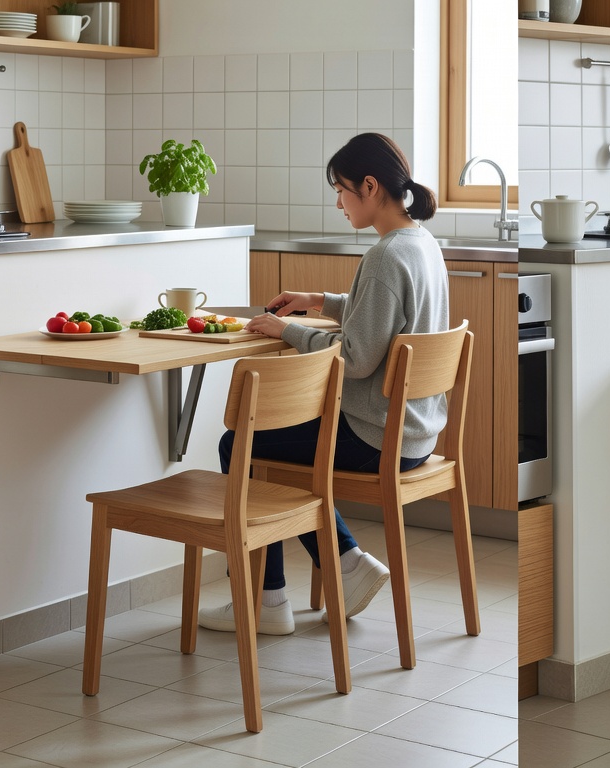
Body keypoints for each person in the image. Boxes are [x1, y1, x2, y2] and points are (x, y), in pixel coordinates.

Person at [199, 132, 450, 635]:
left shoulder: (383, 257)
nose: (338, 202)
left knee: (240, 443)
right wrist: (320, 300)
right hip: (417, 431)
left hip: (377, 436)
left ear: (370, 186)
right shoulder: (419, 241)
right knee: (278, 444)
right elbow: (384, 313)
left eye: (341, 189)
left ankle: (270, 602)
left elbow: (355, 358)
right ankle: (347, 564)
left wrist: (285, 330)